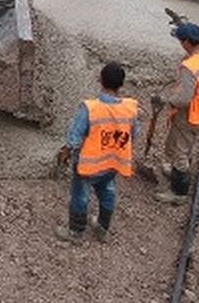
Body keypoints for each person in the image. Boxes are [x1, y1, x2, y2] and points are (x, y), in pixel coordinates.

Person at [55, 62, 140, 244]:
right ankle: (102, 227)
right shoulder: (130, 109)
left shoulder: (90, 108)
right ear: (121, 84)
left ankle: (76, 232)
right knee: (108, 192)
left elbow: (75, 137)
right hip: (113, 164)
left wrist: (65, 153)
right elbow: (134, 135)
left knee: (81, 196)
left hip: (89, 165)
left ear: (100, 80)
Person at [153, 22, 199, 204]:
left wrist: (166, 101)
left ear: (186, 43)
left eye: (180, 40)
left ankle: (179, 192)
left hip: (190, 114)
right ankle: (177, 170)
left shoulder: (189, 68)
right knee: (185, 144)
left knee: (179, 150)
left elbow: (184, 98)